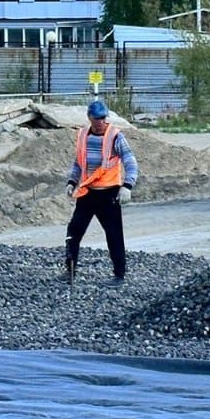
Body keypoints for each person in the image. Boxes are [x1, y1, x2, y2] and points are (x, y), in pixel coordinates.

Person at [64, 99, 139, 286]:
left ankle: (119, 275)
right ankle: (70, 271)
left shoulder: (115, 136)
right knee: (74, 231)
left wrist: (127, 185)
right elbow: (79, 162)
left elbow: (130, 161)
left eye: (103, 117)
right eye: (97, 118)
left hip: (109, 194)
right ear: (89, 117)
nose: (101, 121)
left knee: (114, 235)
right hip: (88, 193)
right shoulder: (83, 135)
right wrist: (72, 181)